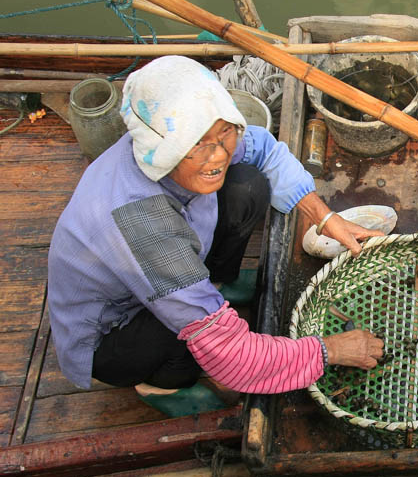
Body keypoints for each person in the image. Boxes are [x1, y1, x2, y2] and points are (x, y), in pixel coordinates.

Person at [47, 55, 384, 417]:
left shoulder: (196, 139)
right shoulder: (143, 225)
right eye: (200, 144)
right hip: (114, 330)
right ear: (161, 147)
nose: (218, 154)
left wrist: (324, 216)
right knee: (188, 345)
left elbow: (263, 149)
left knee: (249, 184)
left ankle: (218, 285)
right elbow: (231, 356)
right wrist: (330, 350)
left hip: (169, 267)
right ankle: (161, 385)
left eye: (225, 132)